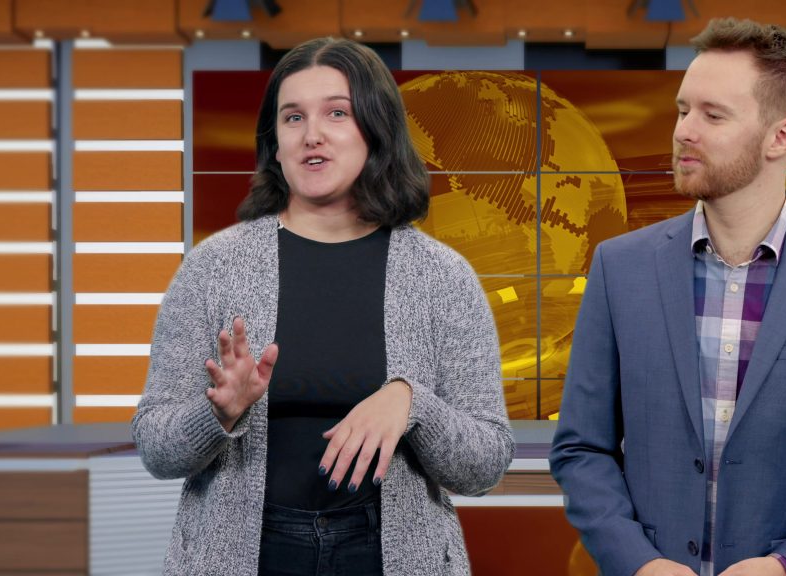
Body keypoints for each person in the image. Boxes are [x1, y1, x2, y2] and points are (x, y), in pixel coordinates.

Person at [131, 37, 514, 576]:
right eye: (293, 118)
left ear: (375, 130)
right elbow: (156, 447)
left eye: (337, 113)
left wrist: (412, 403)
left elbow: (485, 465)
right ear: (276, 143)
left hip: (390, 555)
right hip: (244, 555)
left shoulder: (442, 276)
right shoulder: (213, 267)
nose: (313, 134)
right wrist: (217, 412)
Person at [549, 18, 786, 576]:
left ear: (781, 136)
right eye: (681, 110)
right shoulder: (619, 268)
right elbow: (582, 449)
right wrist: (639, 563)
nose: (683, 131)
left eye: (712, 115)